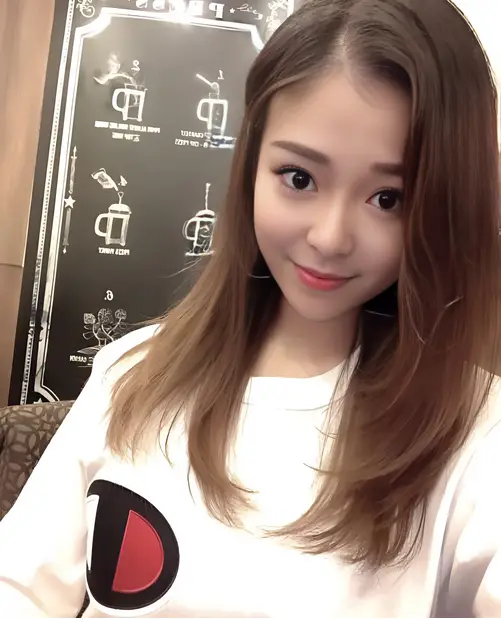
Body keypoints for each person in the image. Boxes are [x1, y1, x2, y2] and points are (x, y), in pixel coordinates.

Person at [2, 0, 501, 616]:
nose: (330, 237)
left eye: (388, 198)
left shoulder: (478, 434)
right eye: (299, 178)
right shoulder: (131, 372)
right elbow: (20, 585)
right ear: (251, 166)